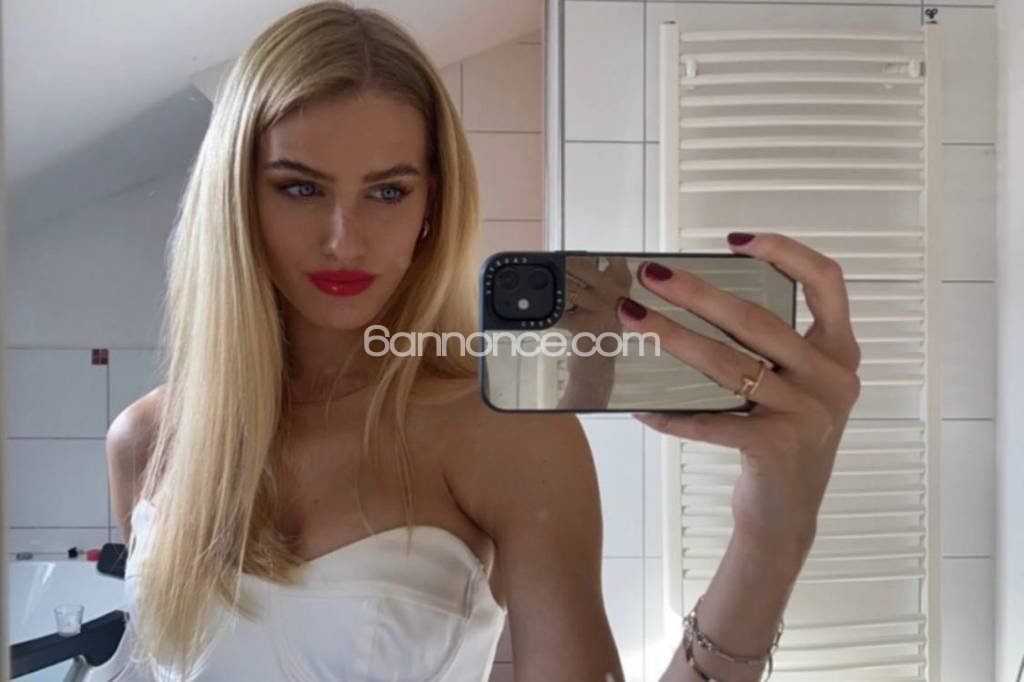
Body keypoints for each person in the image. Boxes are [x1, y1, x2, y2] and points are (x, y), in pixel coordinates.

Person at [104, 2, 862, 681]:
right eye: (300, 187)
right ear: (236, 197)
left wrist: (773, 532)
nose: (344, 239)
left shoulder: (502, 437)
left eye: (388, 191)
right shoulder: (145, 442)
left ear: (431, 206)